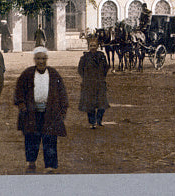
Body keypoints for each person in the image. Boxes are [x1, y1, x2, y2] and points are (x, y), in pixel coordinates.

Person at [14, 46, 68, 174]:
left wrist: (62, 112)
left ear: (47, 59)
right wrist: (22, 106)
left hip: (50, 114)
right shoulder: (27, 74)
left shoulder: (54, 74)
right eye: (38, 58)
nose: (41, 61)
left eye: (43, 58)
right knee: (31, 138)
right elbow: (19, 92)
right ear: (34, 59)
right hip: (31, 114)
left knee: (50, 139)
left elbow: (62, 94)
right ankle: (31, 162)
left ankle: (50, 166)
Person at [77, 35, 109, 128]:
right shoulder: (84, 57)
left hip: (100, 82)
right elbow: (80, 69)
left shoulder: (101, 56)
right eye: (91, 46)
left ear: (97, 46)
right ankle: (92, 122)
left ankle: (99, 120)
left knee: (102, 104)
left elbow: (106, 67)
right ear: (89, 47)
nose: (93, 48)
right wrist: (86, 78)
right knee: (90, 105)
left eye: (94, 46)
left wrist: (102, 77)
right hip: (89, 83)